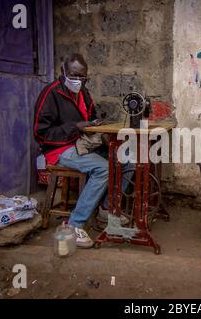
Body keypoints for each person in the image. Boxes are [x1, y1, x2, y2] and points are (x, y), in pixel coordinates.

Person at [34, 53, 131, 248]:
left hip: (83, 143)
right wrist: (75, 126)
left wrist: (95, 124)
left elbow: (92, 115)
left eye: (82, 77)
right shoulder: (51, 93)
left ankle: (106, 209)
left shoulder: (83, 93)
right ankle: (74, 225)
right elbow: (41, 132)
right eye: (73, 75)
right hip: (59, 149)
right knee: (103, 168)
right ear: (63, 72)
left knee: (128, 159)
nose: (78, 80)